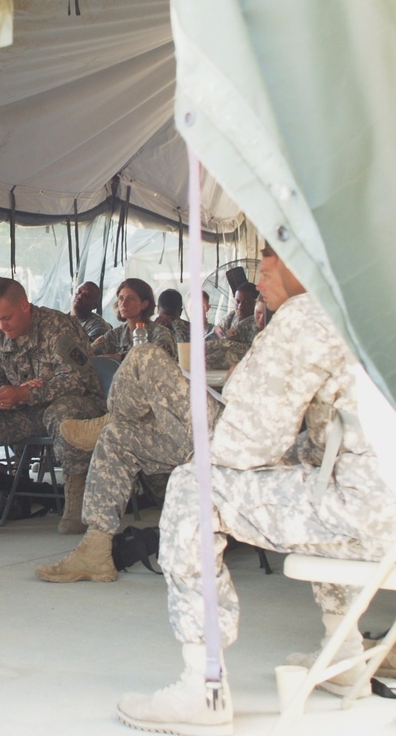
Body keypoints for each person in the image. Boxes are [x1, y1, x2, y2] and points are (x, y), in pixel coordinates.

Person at [115, 244, 396, 734]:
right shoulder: (373, 301)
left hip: (370, 515)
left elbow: (247, 443)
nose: (258, 283)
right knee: (311, 476)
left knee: (190, 487)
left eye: (267, 270)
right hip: (380, 501)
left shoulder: (311, 314)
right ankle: (346, 654)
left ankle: (202, 685)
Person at [36, 342, 221, 582]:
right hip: (203, 435)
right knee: (116, 436)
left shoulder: (284, 333)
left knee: (146, 354)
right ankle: (96, 548)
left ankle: (114, 414)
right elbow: (212, 354)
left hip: (236, 436)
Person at [0, 277, 105, 535]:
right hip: (25, 412)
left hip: (76, 404)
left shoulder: (57, 327)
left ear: (25, 305)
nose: (2, 326)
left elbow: (76, 380)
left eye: (7, 318)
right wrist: (1, 394)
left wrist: (25, 393)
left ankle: (76, 506)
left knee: (63, 414)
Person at [92, 278, 176, 360]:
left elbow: (162, 361)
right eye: (121, 298)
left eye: (131, 299)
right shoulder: (115, 334)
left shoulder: (160, 334)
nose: (123, 304)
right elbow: (89, 353)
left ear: (144, 304)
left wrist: (121, 357)